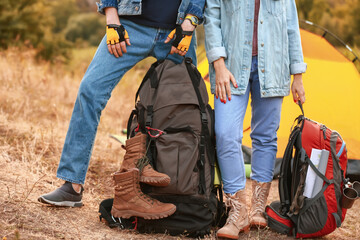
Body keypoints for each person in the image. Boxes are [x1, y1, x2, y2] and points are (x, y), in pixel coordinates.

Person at [38, 0, 205, 209]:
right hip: (129, 27)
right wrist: (111, 18)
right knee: (90, 90)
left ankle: (189, 192)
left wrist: (191, 21)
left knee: (189, 108)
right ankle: (72, 185)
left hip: (178, 31)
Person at [204, 0, 306, 239]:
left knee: (265, 136)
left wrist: (297, 76)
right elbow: (212, 20)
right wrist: (218, 64)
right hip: (229, 68)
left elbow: (291, 26)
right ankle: (237, 212)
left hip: (273, 67)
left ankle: (258, 208)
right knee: (226, 134)